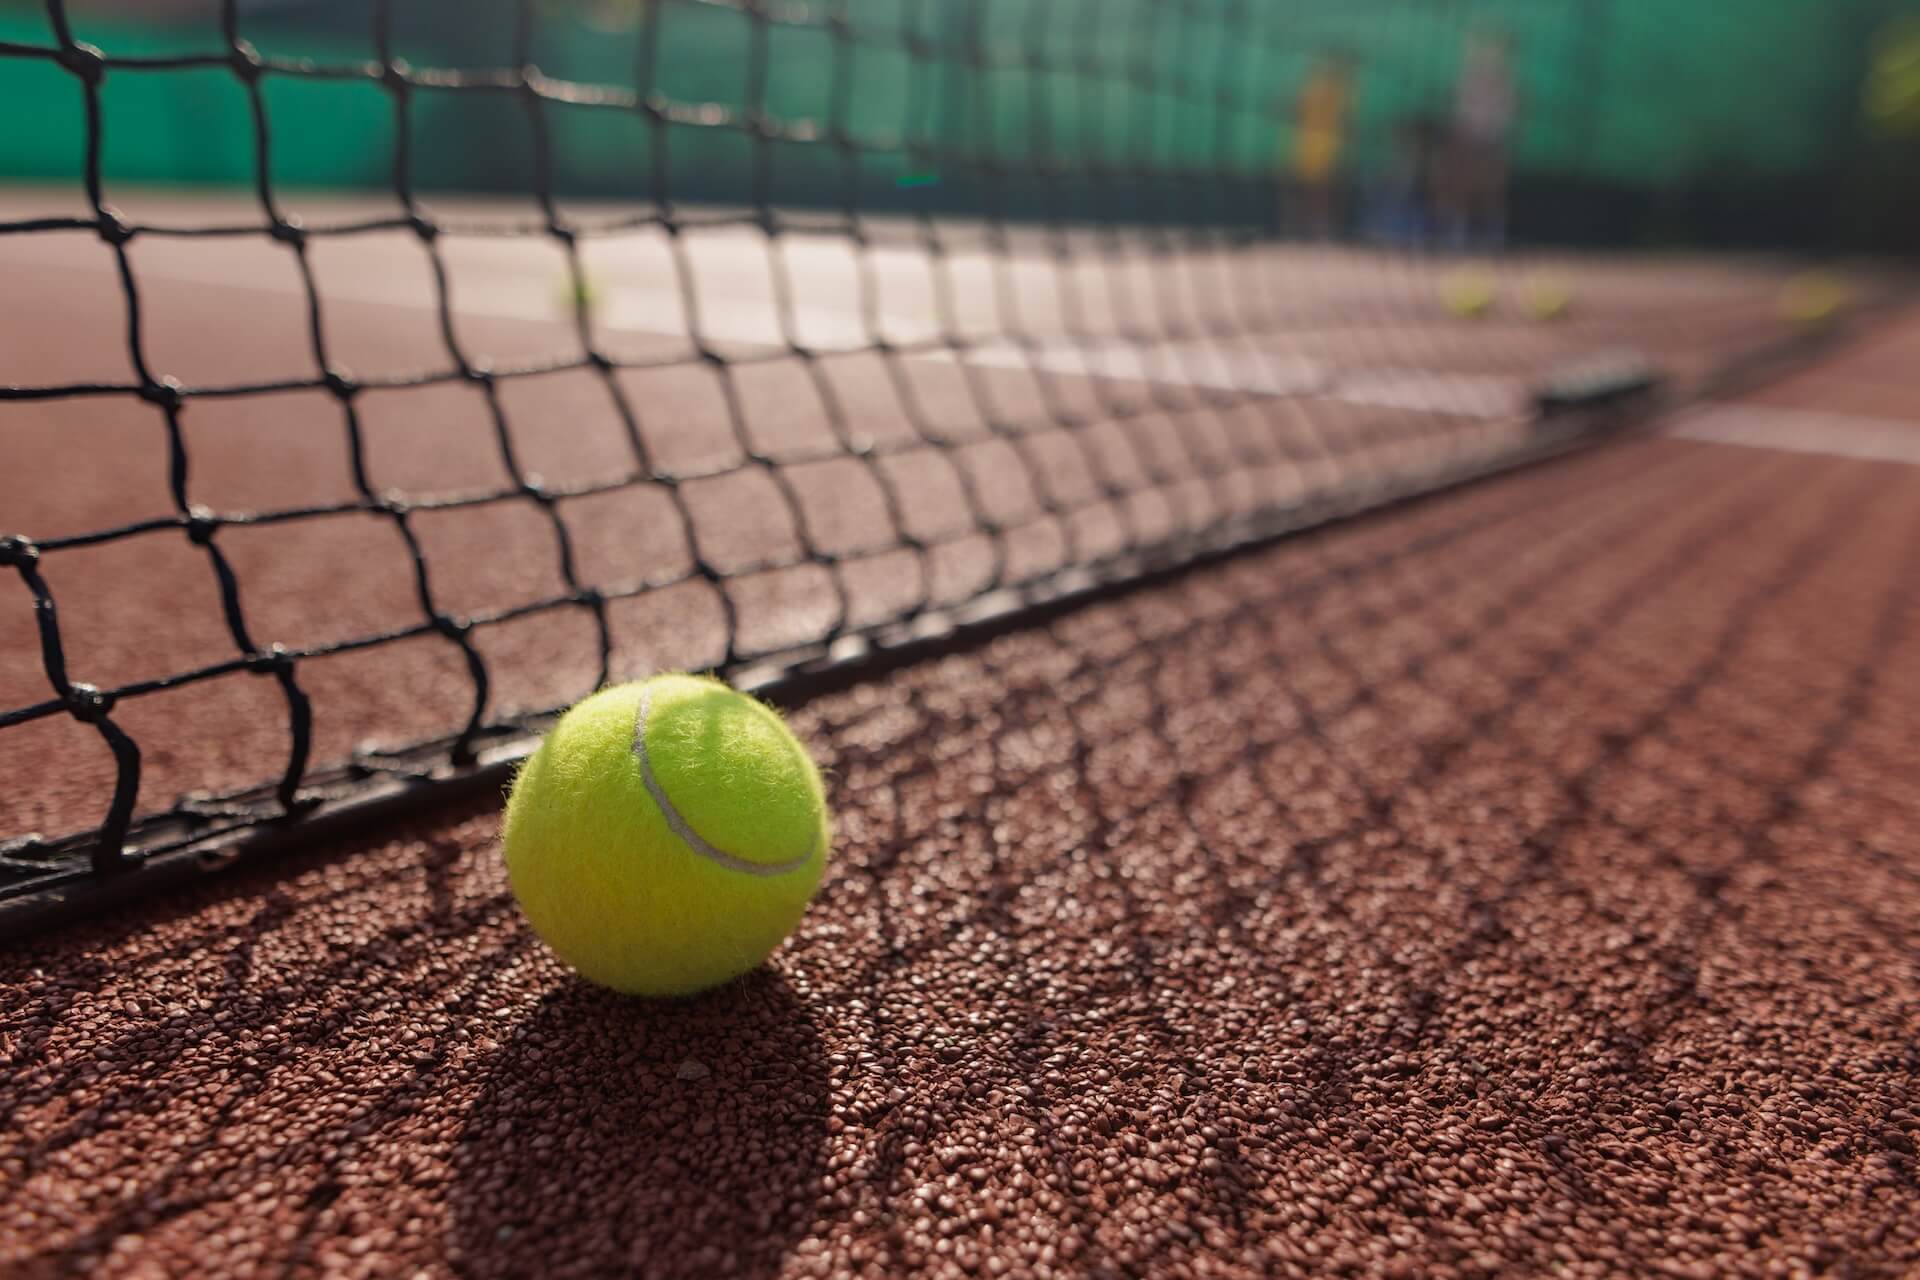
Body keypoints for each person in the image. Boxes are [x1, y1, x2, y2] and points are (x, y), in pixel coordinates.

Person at [1438, 30, 1518, 250]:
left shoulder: (1505, 86)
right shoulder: (1469, 84)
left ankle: (1493, 240)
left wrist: (1496, 136)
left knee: (1491, 192)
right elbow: (1459, 114)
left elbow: (1507, 116)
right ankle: (1455, 237)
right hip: (1468, 143)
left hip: (1492, 144)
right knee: (1459, 189)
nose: (1487, 60)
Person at [1285, 52, 1356, 240]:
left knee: (1322, 191)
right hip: (1309, 146)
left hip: (1325, 147)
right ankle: (1301, 228)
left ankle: (1316, 228)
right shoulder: (1320, 88)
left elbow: (1345, 122)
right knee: (1307, 190)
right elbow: (1296, 109)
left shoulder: (1339, 92)